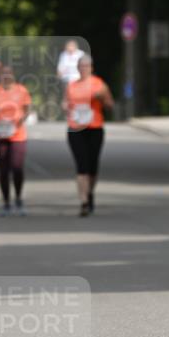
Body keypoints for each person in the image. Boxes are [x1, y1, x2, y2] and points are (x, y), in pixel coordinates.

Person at [63, 54, 113, 216]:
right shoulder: (72, 86)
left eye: (86, 66)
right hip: (75, 129)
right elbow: (65, 103)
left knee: (93, 166)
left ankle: (90, 193)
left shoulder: (99, 84)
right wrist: (65, 107)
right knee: (82, 165)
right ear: (77, 68)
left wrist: (102, 98)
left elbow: (110, 105)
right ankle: (84, 201)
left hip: (94, 128)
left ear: (91, 68)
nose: (84, 69)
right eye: (81, 66)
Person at [0, 65, 31, 215]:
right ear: (0, 76)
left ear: (13, 75)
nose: (6, 76)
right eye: (3, 73)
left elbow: (27, 107)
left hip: (17, 135)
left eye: (8, 73)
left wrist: (21, 119)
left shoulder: (21, 90)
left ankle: (18, 198)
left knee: (17, 167)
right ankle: (6, 202)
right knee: (3, 170)